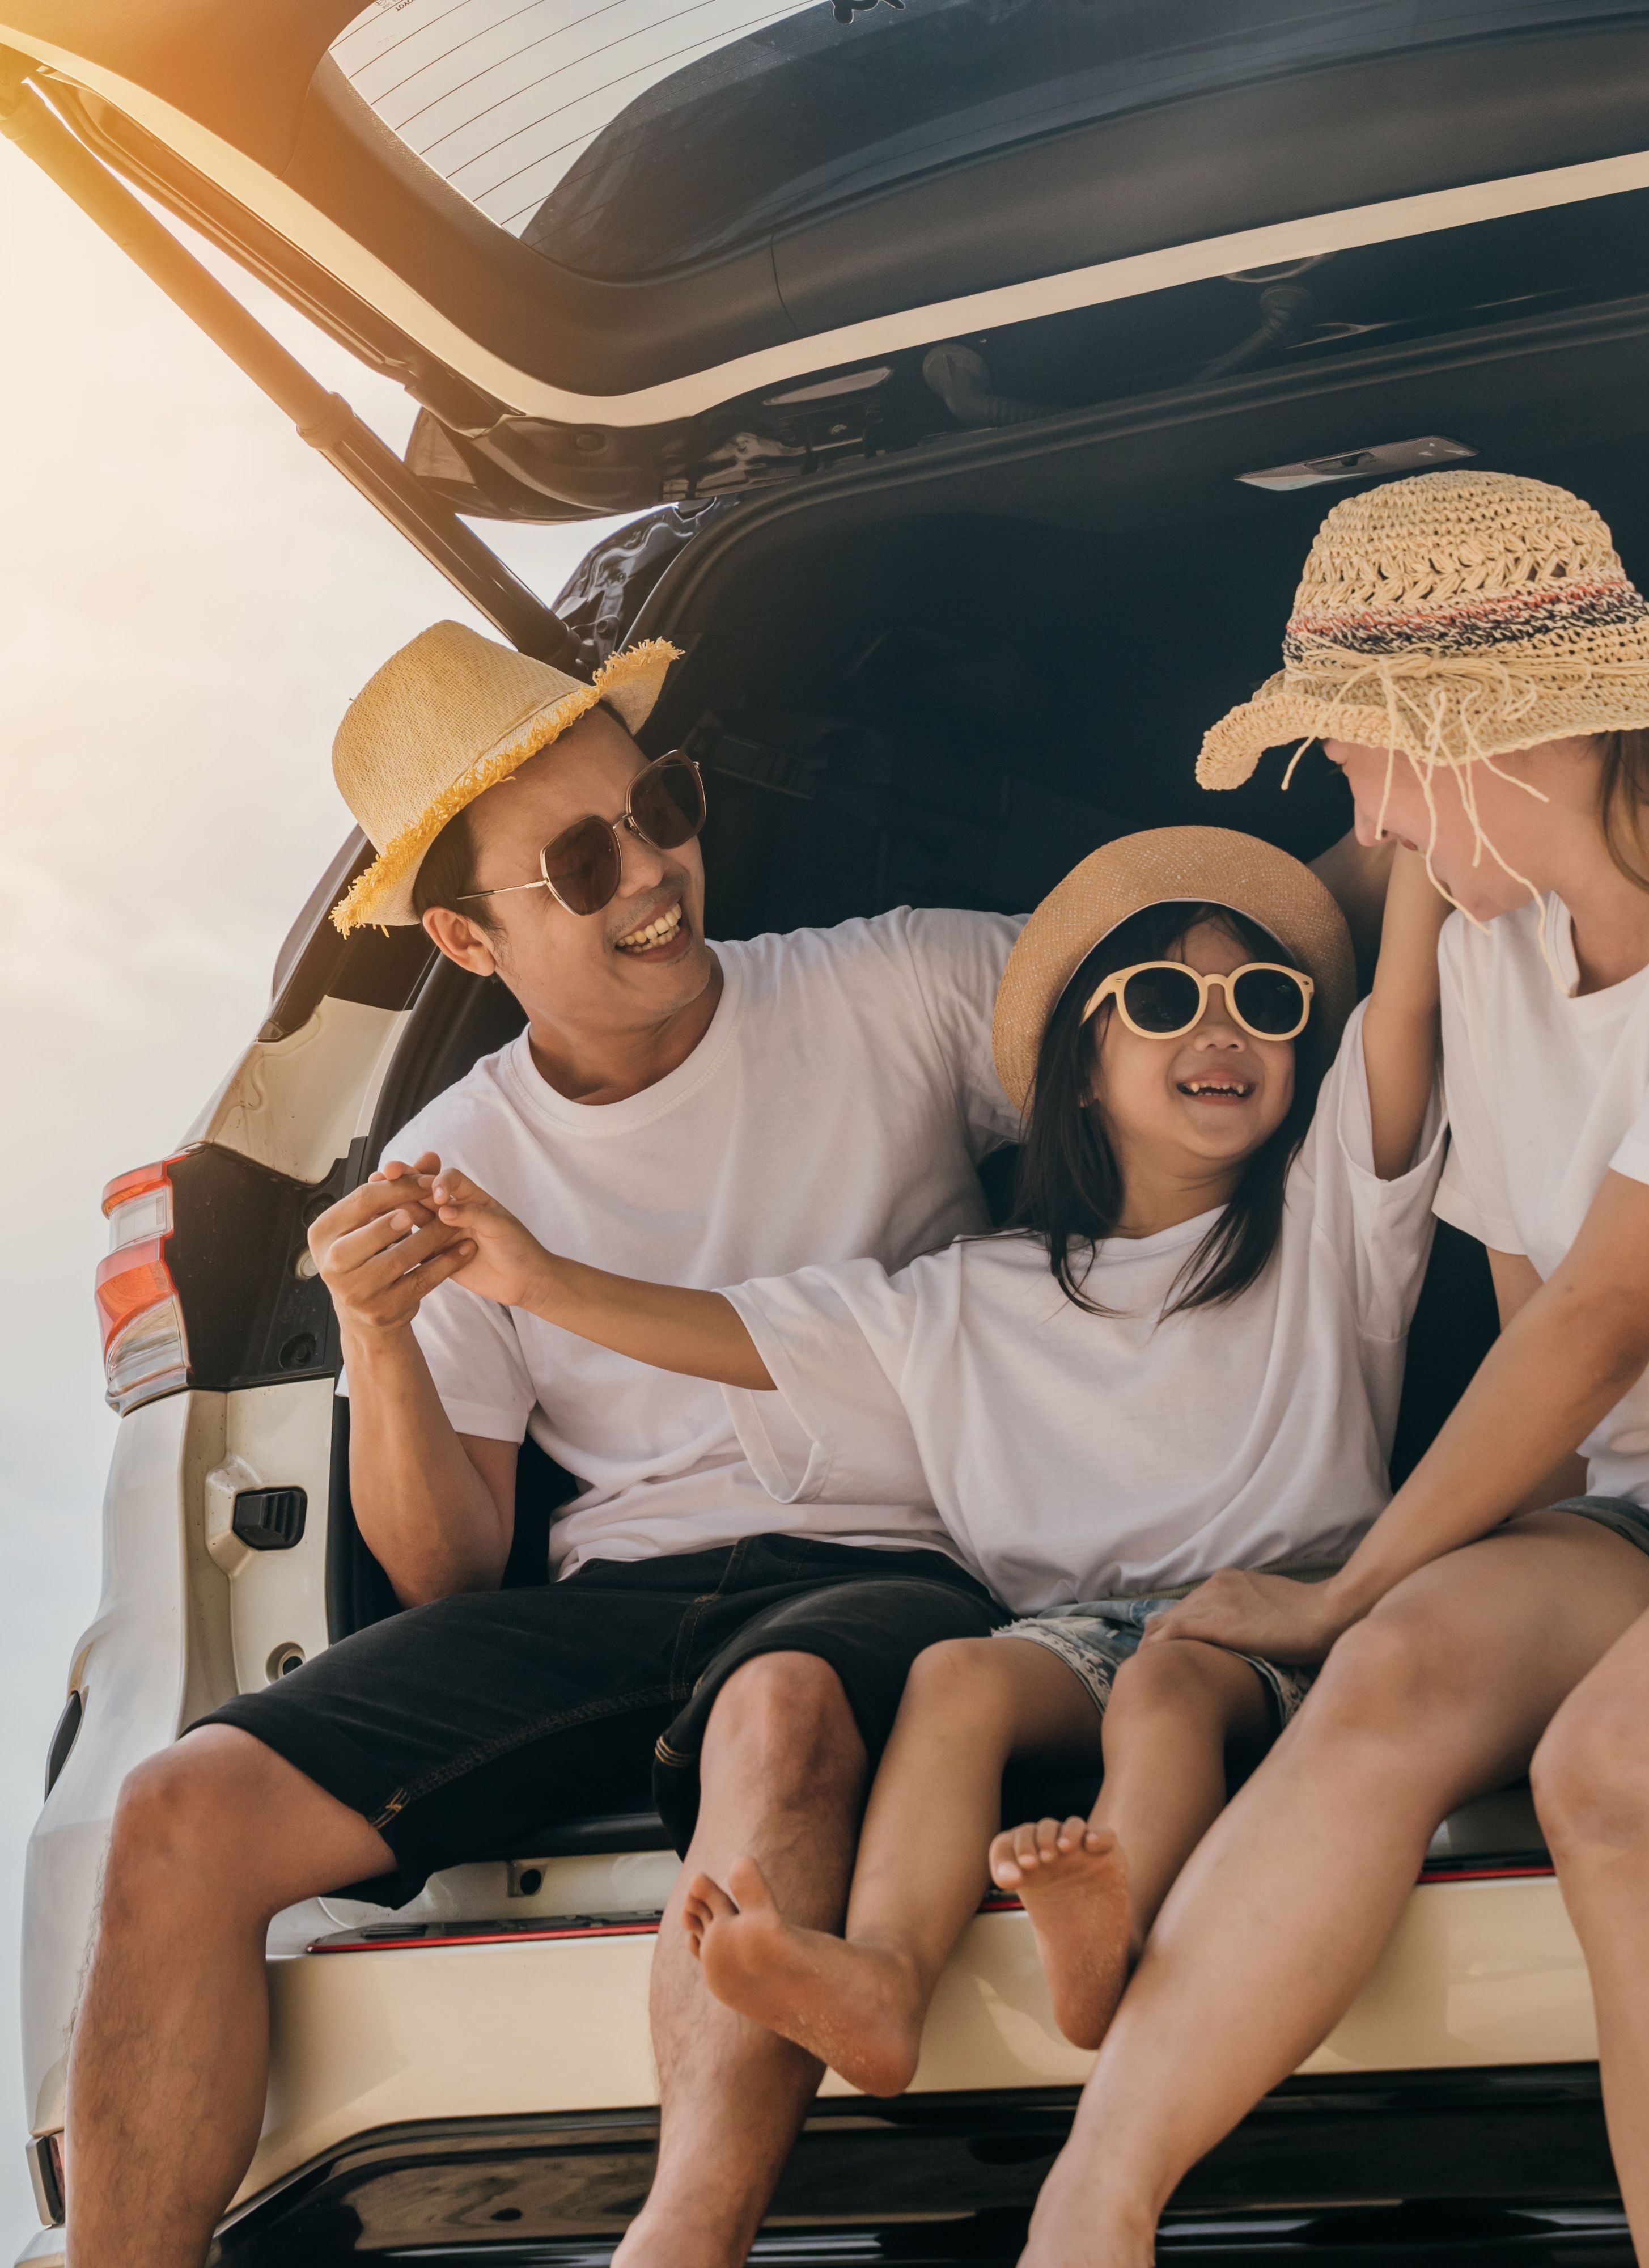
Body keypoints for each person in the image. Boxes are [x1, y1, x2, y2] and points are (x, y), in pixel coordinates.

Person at [63, 620, 1026, 2268]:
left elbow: (1197, 998)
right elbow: (452, 1568)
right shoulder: (456, 1152)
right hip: (611, 1608)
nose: (652, 868)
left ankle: (683, 2244)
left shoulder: (901, 985)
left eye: (659, 803)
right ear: (466, 933)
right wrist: (377, 1340)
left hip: (894, 1568)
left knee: (781, 1711)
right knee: (173, 1812)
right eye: (584, 860)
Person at [1011, 468, 1649, 2268]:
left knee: (1613, 1766)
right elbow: (1552, 1364)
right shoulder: (1497, 951)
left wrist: (1346, 1577)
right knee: (1388, 1684)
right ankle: (1090, 2217)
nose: (1359, 814)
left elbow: (1608, 1317)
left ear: (1474, 738)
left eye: (1358, 761)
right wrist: (1371, 1608)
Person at [412, 823, 1449, 2093]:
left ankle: (1106, 1935)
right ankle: (885, 1979)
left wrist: (1418, 825)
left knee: (1166, 1690)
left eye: (1268, 1002)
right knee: (957, 1677)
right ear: (1073, 1069)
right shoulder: (970, 1294)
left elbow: (1403, 1006)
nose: (1222, 1030)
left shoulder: (1334, 1222)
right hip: (1067, 1633)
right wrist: (542, 1280)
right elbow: (745, 1336)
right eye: (1168, 998)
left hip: (1280, 1626)